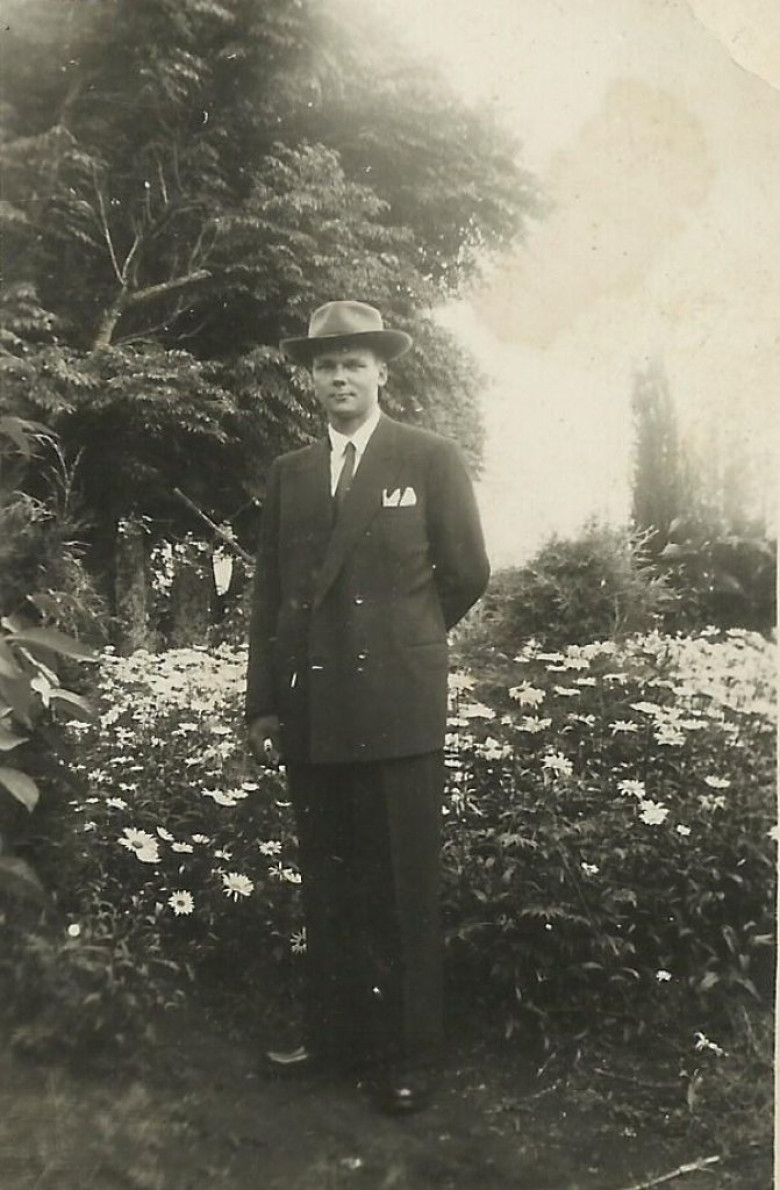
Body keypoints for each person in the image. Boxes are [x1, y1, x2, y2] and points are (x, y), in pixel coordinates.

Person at [245, 300, 490, 1114]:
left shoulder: (428, 457)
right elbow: (272, 597)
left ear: (384, 371)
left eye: (354, 361)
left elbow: (465, 573)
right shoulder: (289, 473)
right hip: (312, 710)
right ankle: (334, 1037)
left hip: (395, 709)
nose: (339, 376)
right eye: (324, 364)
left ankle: (411, 1055)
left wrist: (402, 644)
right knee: (330, 883)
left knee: (401, 888)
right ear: (308, 379)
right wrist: (263, 706)